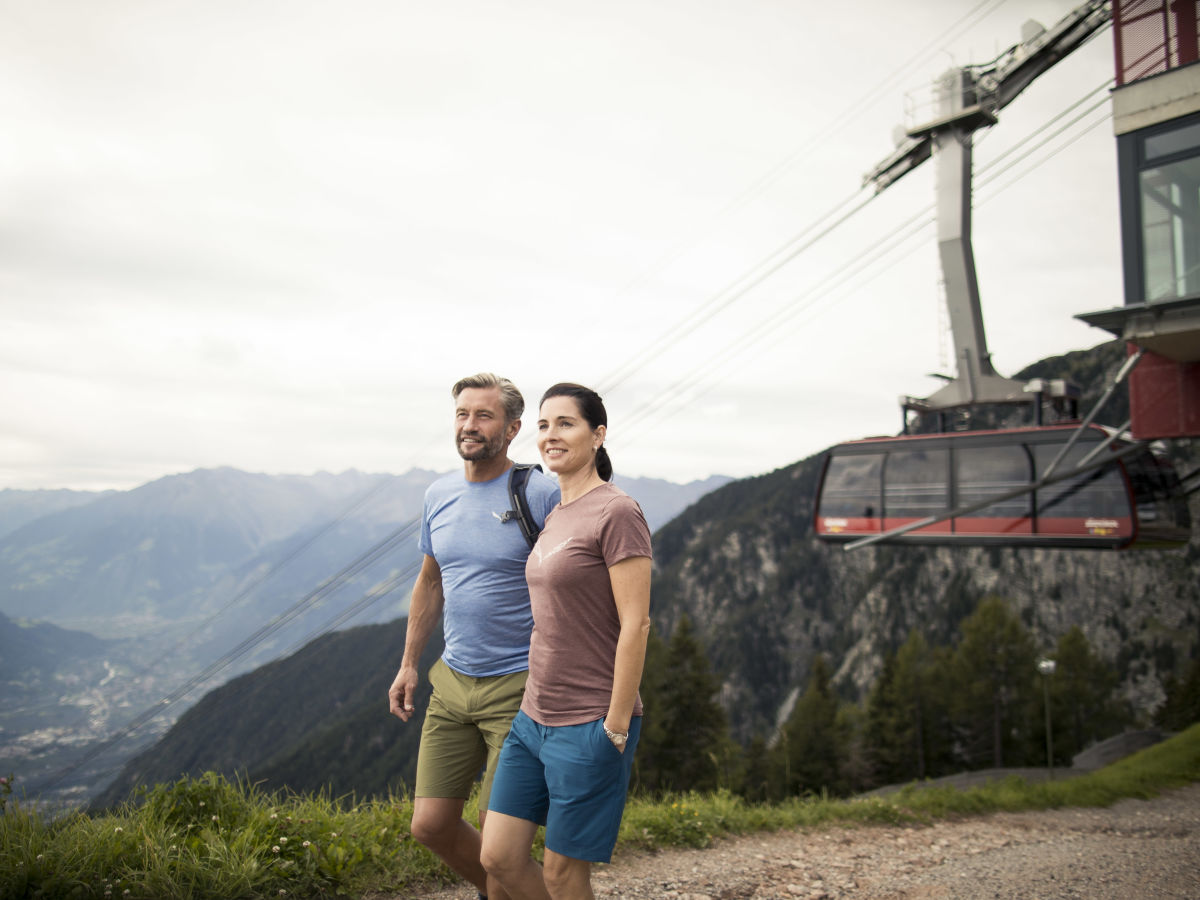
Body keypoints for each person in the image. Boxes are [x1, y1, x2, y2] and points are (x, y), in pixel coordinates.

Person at [388, 373, 559, 900]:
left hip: (520, 686)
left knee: (500, 850)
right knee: (431, 826)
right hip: (453, 682)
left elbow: (576, 582)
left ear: (511, 429)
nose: (469, 424)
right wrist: (409, 663)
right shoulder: (438, 494)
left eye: (483, 415)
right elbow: (431, 579)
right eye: (462, 413)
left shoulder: (540, 492)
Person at [480, 383, 653, 900]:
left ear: (598, 435)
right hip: (533, 718)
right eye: (543, 425)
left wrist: (616, 726)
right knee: (499, 858)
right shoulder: (556, 512)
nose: (550, 435)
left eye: (565, 423)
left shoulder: (617, 512)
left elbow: (636, 623)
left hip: (590, 721)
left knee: (561, 874)